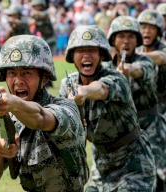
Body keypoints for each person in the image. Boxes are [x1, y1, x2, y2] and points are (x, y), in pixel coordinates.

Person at [0, 35, 89, 191]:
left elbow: (40, 118)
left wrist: (14, 103)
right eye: (11, 73)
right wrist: (0, 151)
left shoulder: (66, 108)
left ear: (44, 77)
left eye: (26, 73)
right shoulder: (7, 116)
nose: (18, 81)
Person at [59, 25, 156, 191]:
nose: (86, 55)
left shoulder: (117, 79)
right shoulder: (67, 85)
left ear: (102, 54)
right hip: (101, 167)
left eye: (92, 50)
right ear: (72, 55)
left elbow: (102, 89)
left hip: (134, 166)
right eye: (80, 50)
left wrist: (85, 91)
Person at [104, 15, 166, 191]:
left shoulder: (145, 60)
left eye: (131, 36)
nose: (126, 41)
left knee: (159, 176)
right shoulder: (105, 67)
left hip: (151, 129)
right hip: (122, 135)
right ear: (113, 40)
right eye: (121, 36)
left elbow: (143, 68)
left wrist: (129, 70)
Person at [137, 10, 166, 119]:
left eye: (151, 28)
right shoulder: (137, 49)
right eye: (143, 27)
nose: (147, 31)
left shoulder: (162, 49)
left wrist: (139, 57)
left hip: (162, 106)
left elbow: (161, 57)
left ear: (158, 32)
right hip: (141, 108)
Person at [29, 0, 56, 88]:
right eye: (35, 6)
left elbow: (42, 15)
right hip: (44, 39)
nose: (36, 7)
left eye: (38, 5)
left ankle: (48, 81)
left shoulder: (45, 13)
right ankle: (48, 81)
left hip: (51, 39)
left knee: (47, 59)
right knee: (43, 59)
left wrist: (34, 13)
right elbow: (30, 23)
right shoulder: (36, 16)